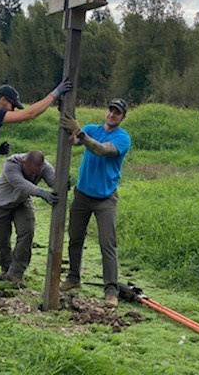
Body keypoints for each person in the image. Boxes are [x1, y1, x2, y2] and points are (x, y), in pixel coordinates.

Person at [0, 80, 72, 309]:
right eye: (12, 106)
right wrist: (54, 94)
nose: (13, 111)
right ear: (3, 100)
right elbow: (30, 114)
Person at [59, 98, 131, 308]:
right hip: (82, 194)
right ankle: (73, 277)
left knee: (107, 243)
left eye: (116, 112)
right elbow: (72, 140)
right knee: (75, 237)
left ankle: (110, 289)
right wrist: (64, 117)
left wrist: (80, 133)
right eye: (110, 110)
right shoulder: (92, 128)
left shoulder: (122, 138)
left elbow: (102, 150)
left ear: (122, 117)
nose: (111, 115)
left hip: (105, 198)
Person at [0, 150, 57, 286]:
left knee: (27, 231)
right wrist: (41, 192)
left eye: (36, 173)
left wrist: (63, 182)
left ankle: (16, 273)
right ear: (24, 162)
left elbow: (54, 181)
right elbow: (21, 184)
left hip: (21, 201)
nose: (33, 175)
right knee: (1, 238)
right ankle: (6, 268)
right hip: (0, 202)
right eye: (30, 172)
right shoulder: (11, 163)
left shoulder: (44, 167)